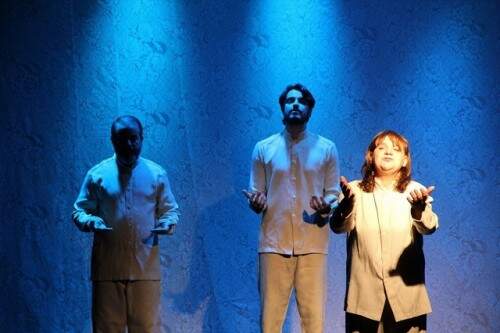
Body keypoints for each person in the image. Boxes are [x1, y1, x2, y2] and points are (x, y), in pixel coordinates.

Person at [244, 83, 340, 333]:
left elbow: (333, 193)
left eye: (301, 101)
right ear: (282, 109)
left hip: (313, 244)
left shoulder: (326, 148)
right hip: (274, 244)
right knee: (270, 321)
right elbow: (257, 193)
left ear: (309, 109)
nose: (295, 104)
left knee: (313, 321)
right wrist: (257, 202)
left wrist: (325, 207)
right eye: (290, 101)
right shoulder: (263, 148)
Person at [72, 115, 179, 333]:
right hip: (107, 270)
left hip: (145, 269)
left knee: (147, 329)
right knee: (107, 329)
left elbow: (170, 210)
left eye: (134, 138)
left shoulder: (157, 174)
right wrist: (91, 221)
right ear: (113, 140)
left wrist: (168, 223)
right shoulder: (97, 174)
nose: (129, 145)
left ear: (141, 138)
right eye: (123, 139)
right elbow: (79, 210)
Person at [330, 130, 438, 333]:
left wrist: (418, 210)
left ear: (405, 160)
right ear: (370, 156)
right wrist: (346, 207)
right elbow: (337, 227)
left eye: (396, 150)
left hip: (406, 296)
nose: (388, 152)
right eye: (382, 148)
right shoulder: (354, 190)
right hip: (364, 297)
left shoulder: (415, 191)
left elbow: (429, 227)